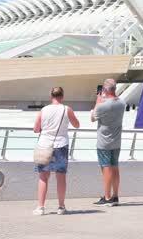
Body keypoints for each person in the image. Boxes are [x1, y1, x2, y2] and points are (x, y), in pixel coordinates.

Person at [32, 86, 80, 216]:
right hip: (61, 145)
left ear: (51, 96)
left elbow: (36, 129)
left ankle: (41, 207)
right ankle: (61, 207)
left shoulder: (44, 110)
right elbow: (77, 124)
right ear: (62, 96)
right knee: (61, 177)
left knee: (43, 177)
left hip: (44, 145)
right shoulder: (66, 109)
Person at [91, 78, 125, 206]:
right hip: (116, 141)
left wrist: (97, 102)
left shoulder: (103, 105)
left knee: (106, 169)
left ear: (104, 89)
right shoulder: (122, 103)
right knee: (115, 167)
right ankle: (115, 196)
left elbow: (93, 118)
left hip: (104, 142)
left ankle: (107, 197)